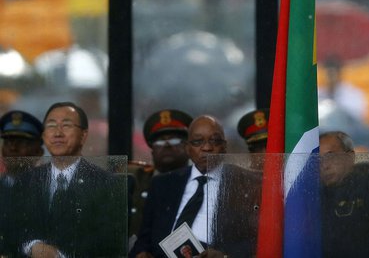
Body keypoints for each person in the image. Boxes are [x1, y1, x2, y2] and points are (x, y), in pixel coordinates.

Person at [130, 115, 262, 258]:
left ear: (224, 147)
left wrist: (225, 256)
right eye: (198, 142)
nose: (207, 147)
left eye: (214, 141)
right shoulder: (162, 184)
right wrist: (141, 253)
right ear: (187, 148)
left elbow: (257, 241)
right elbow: (143, 240)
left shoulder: (246, 183)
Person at [12, 101, 125, 257]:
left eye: (66, 125)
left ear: (83, 135)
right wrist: (32, 246)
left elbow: (110, 244)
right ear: (44, 135)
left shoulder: (108, 184)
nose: (58, 133)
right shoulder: (25, 181)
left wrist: (60, 256)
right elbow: (12, 233)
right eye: (51, 126)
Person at [129, 109, 193, 238]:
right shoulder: (137, 181)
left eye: (175, 140)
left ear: (188, 146)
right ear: (152, 150)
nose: (167, 145)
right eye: (160, 141)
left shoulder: (201, 181)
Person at [320, 131, 369, 257]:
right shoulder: (314, 194)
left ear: (350, 156)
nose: (324, 166)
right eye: (318, 160)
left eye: (330, 156)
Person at [0, 110, 44, 255]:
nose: (13, 148)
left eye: (21, 142)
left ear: (38, 151)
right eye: (8, 141)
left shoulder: (48, 189)